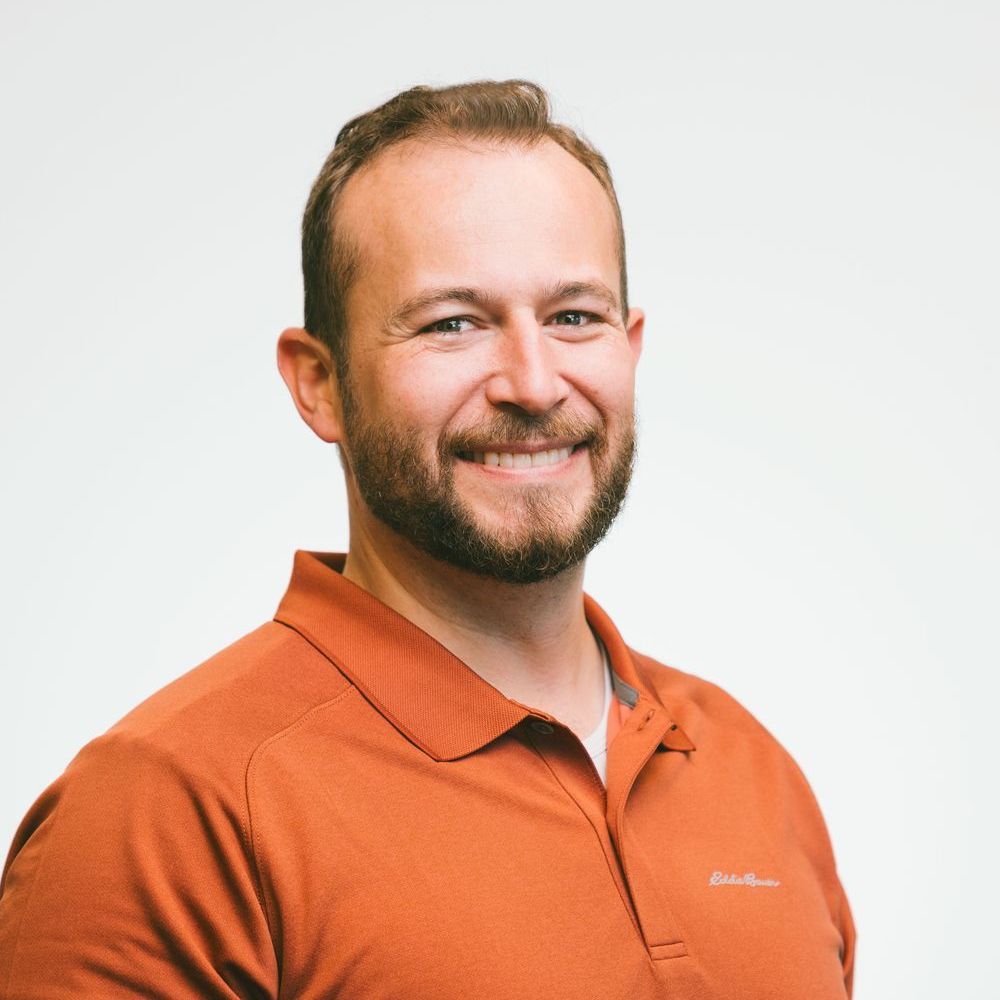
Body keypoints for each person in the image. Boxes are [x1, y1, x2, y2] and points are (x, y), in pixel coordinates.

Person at [0, 80, 855, 999]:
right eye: (453, 324)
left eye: (574, 317)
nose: (534, 383)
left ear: (630, 345)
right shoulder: (163, 813)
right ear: (319, 384)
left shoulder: (750, 769)